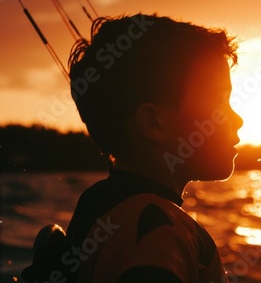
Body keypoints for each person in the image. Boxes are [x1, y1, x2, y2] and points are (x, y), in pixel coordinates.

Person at [22, 14, 243, 283]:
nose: (237, 119)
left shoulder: (98, 204)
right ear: (154, 123)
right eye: (220, 101)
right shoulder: (156, 227)